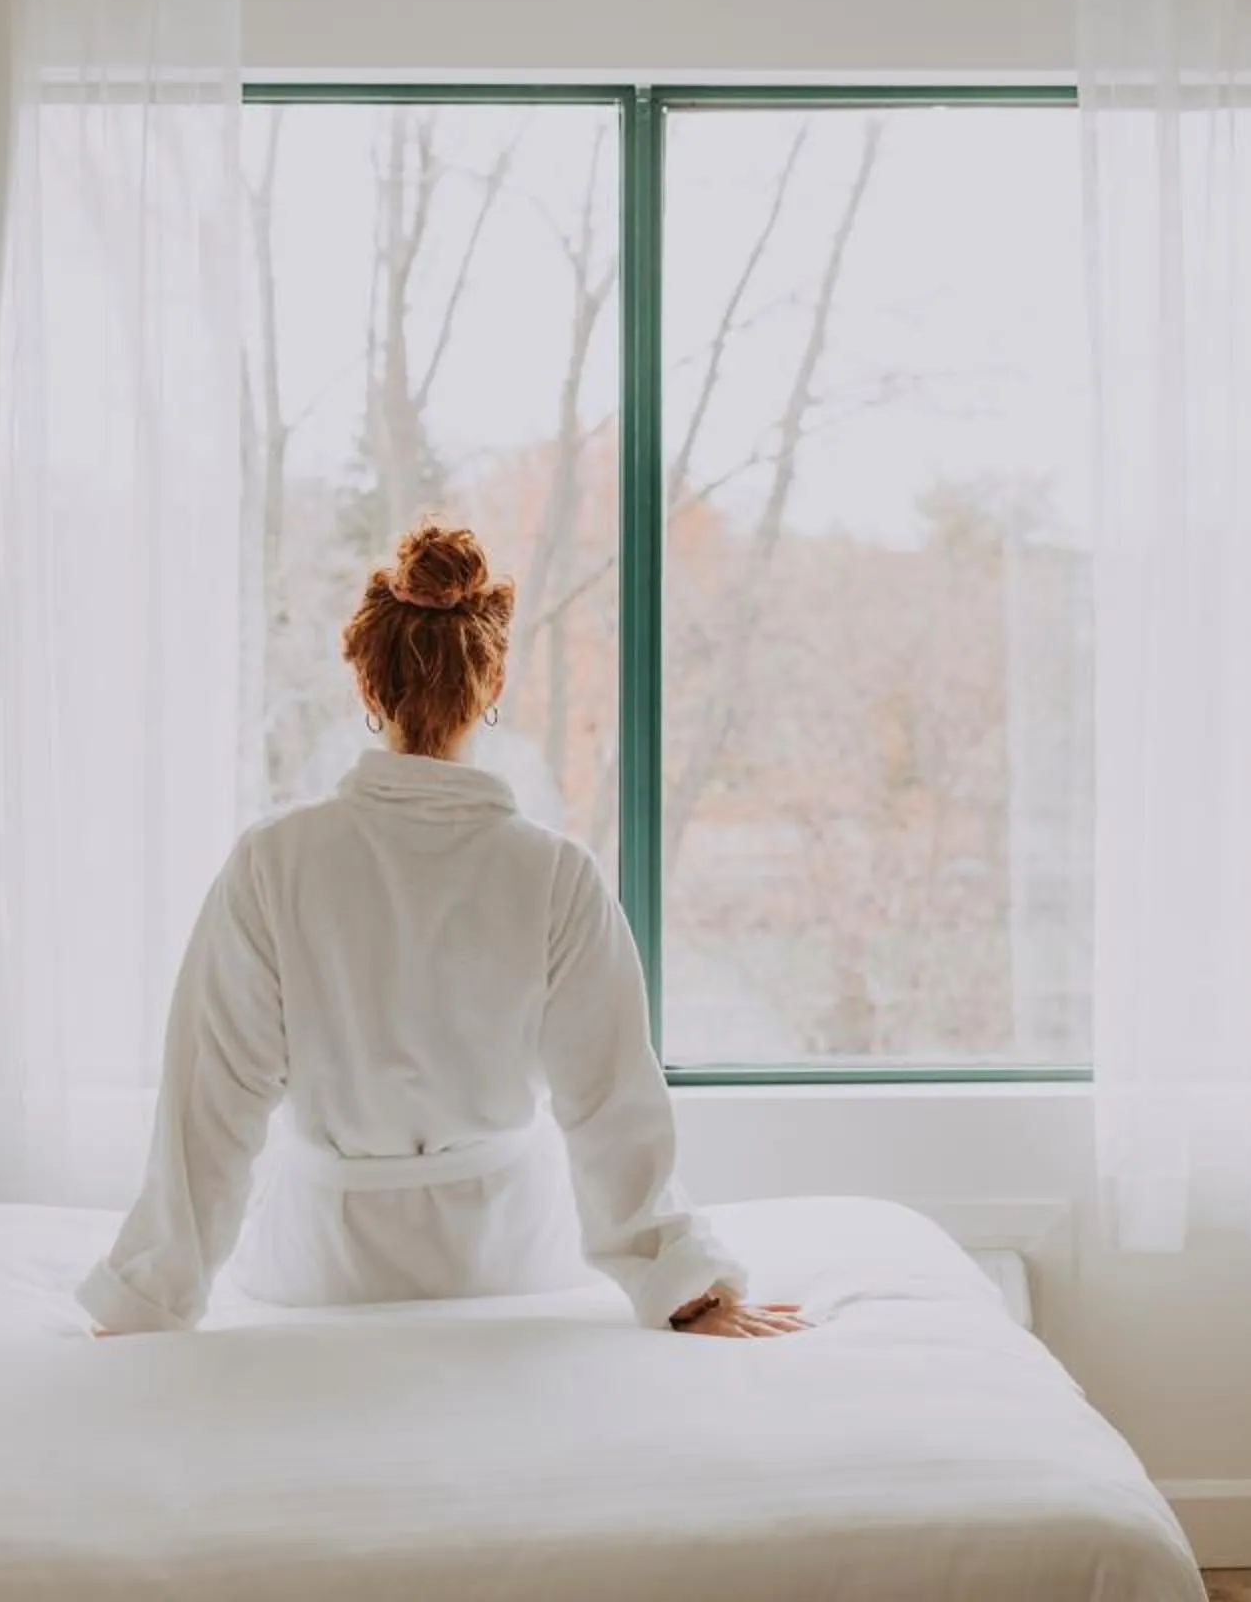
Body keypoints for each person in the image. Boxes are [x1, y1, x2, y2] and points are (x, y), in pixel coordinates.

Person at [80, 522, 806, 1341]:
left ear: (365, 684)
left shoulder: (273, 863)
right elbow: (610, 1102)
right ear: (491, 687)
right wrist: (685, 1288)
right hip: (511, 1263)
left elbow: (210, 1104)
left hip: (319, 1271)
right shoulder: (555, 873)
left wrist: (148, 1300)